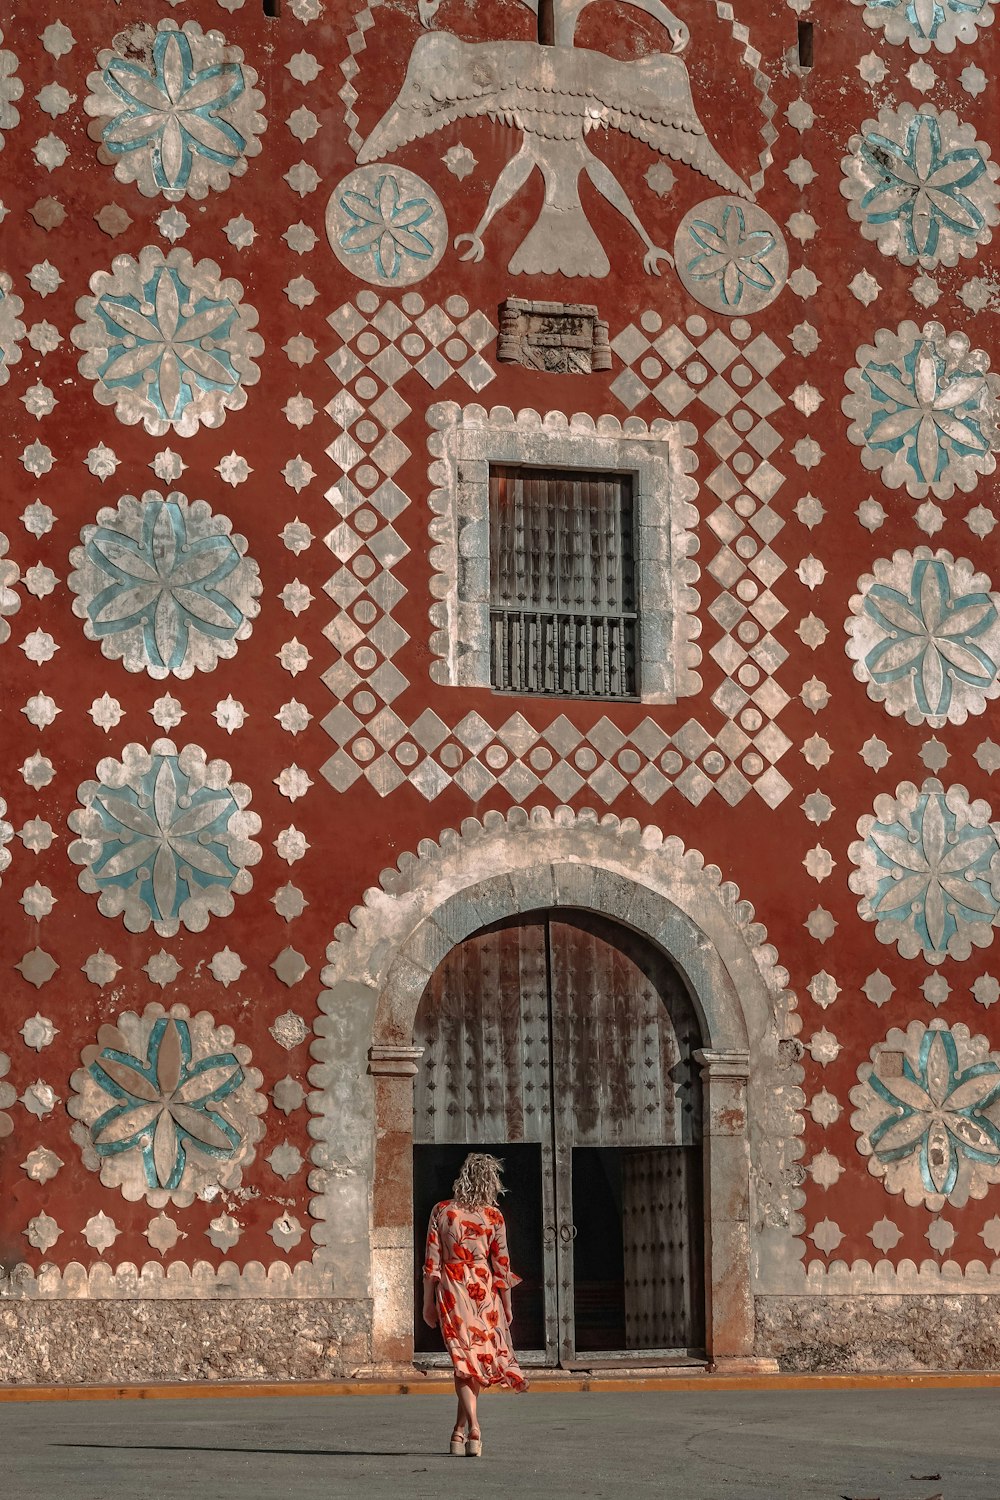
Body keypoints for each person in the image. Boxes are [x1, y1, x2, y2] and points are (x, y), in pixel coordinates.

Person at [422, 1152, 528, 1456]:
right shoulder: (493, 1217)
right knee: (469, 1362)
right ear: (491, 1182)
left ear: (463, 1178)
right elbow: (502, 1266)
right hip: (483, 1292)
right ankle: (472, 1428)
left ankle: (463, 1432)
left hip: (452, 1291)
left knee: (464, 1362)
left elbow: (432, 1264)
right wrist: (507, 1306)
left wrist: (427, 1304)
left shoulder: (442, 1211)